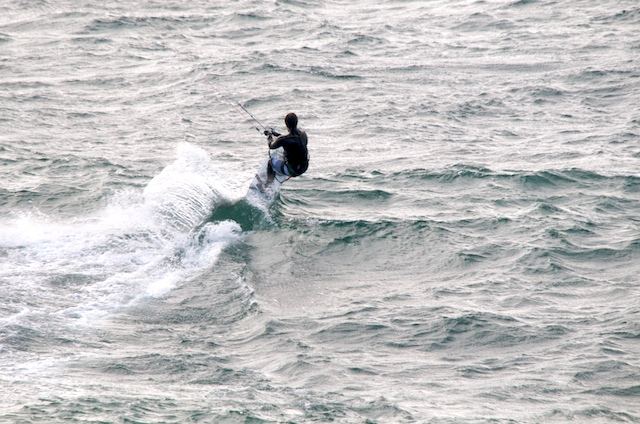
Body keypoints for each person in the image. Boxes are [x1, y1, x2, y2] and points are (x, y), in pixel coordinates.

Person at [265, 112, 309, 184]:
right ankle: (282, 168)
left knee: (270, 162)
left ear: (286, 124)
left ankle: (268, 183)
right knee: (286, 152)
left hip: (294, 171)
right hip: (304, 167)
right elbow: (290, 139)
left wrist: (269, 136)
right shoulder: (303, 134)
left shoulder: (284, 139)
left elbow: (271, 146)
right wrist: (275, 134)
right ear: (296, 122)